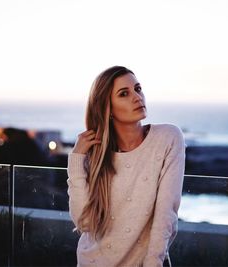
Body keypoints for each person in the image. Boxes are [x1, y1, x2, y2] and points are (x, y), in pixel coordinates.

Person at [67, 66, 185, 267]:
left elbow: (166, 214)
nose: (137, 97)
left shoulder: (168, 138)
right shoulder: (95, 154)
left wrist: (153, 263)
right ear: (108, 108)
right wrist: (76, 159)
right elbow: (84, 223)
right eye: (124, 94)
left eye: (138, 89)